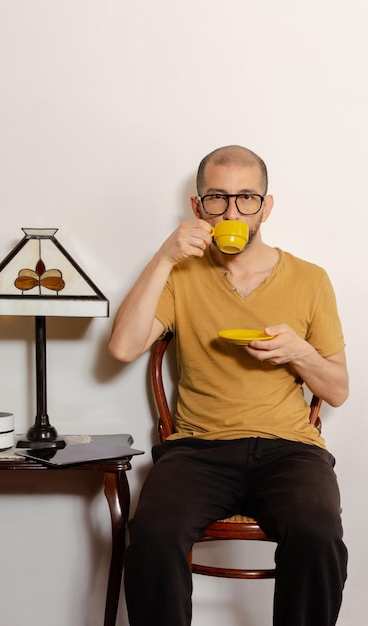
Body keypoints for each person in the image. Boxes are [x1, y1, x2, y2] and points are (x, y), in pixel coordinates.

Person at [108, 145, 348, 626]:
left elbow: (338, 390)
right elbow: (122, 349)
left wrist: (298, 351)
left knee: (319, 533)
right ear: (198, 207)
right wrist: (163, 257)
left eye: (246, 198)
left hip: (289, 449)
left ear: (267, 205)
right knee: (153, 534)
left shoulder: (310, 279)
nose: (232, 212)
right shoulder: (179, 276)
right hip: (198, 450)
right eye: (217, 198)